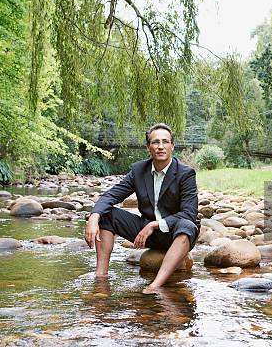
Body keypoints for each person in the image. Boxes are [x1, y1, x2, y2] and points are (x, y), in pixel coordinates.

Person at [84, 123, 200, 293]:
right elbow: (111, 195)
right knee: (107, 215)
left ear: (172, 146)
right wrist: (94, 217)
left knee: (187, 225)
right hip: (147, 234)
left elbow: (189, 214)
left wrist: (154, 224)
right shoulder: (139, 170)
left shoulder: (186, 173)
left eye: (165, 142)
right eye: (155, 142)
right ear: (148, 147)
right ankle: (101, 277)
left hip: (176, 234)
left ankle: (155, 285)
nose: (160, 147)